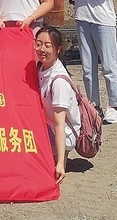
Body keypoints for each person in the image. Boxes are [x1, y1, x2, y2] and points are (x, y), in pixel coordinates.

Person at [35, 26, 80, 185]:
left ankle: (60, 156)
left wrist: (60, 163)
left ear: (58, 49)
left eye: (47, 46)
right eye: (38, 44)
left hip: (62, 132)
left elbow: (59, 124)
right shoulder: (40, 67)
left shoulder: (59, 81)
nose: (42, 49)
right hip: (47, 124)